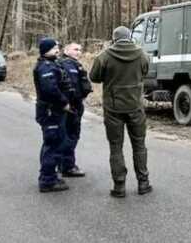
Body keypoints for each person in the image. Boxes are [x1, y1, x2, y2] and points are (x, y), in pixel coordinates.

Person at [90, 26, 151, 198]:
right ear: (130, 37)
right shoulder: (142, 54)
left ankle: (119, 186)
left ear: (114, 38)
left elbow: (94, 77)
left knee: (116, 147)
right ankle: (143, 183)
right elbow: (145, 72)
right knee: (139, 145)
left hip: (113, 108)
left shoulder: (104, 56)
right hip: (135, 107)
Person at [33, 38, 74, 193]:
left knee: (56, 142)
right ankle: (47, 180)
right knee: (52, 144)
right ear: (46, 50)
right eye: (54, 47)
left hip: (55, 111)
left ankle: (50, 176)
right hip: (51, 111)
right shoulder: (45, 66)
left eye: (58, 47)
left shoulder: (52, 63)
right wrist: (64, 102)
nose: (58, 50)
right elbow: (50, 89)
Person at [58, 42, 93, 177]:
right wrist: (70, 103)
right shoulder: (66, 65)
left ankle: (64, 164)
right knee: (71, 135)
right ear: (66, 50)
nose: (79, 52)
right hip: (71, 106)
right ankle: (67, 166)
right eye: (75, 49)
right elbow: (69, 87)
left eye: (80, 49)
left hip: (75, 104)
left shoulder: (74, 64)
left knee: (70, 134)